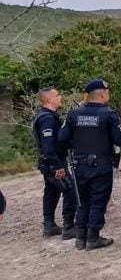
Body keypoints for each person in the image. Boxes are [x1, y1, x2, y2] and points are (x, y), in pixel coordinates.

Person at [58, 79, 121, 250]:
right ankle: (93, 238)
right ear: (103, 94)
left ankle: (81, 237)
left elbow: (62, 137)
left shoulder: (73, 114)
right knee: (98, 200)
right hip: (100, 164)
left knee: (83, 201)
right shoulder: (109, 115)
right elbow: (119, 139)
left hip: (79, 164)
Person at [32, 87, 77, 239]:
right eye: (57, 95)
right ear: (49, 99)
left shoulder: (47, 116)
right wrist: (57, 165)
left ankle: (49, 225)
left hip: (49, 162)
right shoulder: (47, 119)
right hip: (53, 162)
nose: (61, 97)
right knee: (70, 190)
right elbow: (48, 145)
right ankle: (69, 226)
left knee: (52, 191)